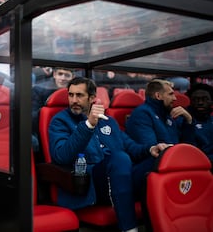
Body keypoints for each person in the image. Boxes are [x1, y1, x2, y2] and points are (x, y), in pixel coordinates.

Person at [48, 77, 172, 232]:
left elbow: (130, 146)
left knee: (162, 160)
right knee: (119, 158)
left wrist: (151, 149)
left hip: (120, 177)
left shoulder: (108, 121)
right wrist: (88, 125)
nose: (73, 100)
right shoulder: (60, 121)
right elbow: (61, 155)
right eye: (70, 95)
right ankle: (130, 229)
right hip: (90, 182)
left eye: (79, 95)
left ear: (92, 98)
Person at [126, 79, 195, 150]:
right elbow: (151, 151)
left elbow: (188, 145)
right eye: (170, 94)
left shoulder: (168, 113)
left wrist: (189, 121)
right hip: (158, 160)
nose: (175, 98)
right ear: (158, 96)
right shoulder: (142, 114)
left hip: (174, 157)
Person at [32, 67, 74, 153]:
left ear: (72, 77)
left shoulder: (76, 92)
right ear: (54, 74)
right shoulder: (39, 90)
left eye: (67, 75)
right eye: (60, 74)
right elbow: (32, 116)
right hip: (44, 131)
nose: (63, 78)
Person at [185, 83, 213, 168]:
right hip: (197, 165)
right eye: (195, 99)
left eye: (204, 99)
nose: (200, 103)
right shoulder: (184, 121)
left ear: (211, 101)